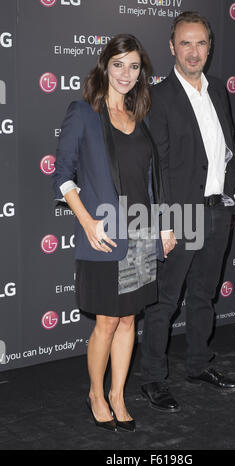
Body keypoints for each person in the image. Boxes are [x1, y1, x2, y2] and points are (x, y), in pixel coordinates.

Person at [52, 34, 173, 432]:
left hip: (140, 233)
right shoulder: (84, 112)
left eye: (134, 66)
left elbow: (151, 180)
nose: (126, 73)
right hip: (103, 234)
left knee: (128, 322)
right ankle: (96, 393)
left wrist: (163, 226)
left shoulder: (141, 115)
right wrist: (87, 222)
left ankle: (119, 394)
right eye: (119, 64)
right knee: (106, 321)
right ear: (105, 65)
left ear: (142, 73)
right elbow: (62, 175)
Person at [140, 12, 235, 412]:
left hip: (219, 212)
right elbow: (158, 165)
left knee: (204, 295)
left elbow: (227, 146)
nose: (194, 51)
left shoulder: (218, 90)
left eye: (201, 43)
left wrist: (232, 185)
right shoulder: (160, 96)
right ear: (172, 47)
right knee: (164, 303)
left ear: (209, 47)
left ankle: (199, 365)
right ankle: (152, 378)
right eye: (185, 43)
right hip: (181, 216)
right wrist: (166, 222)